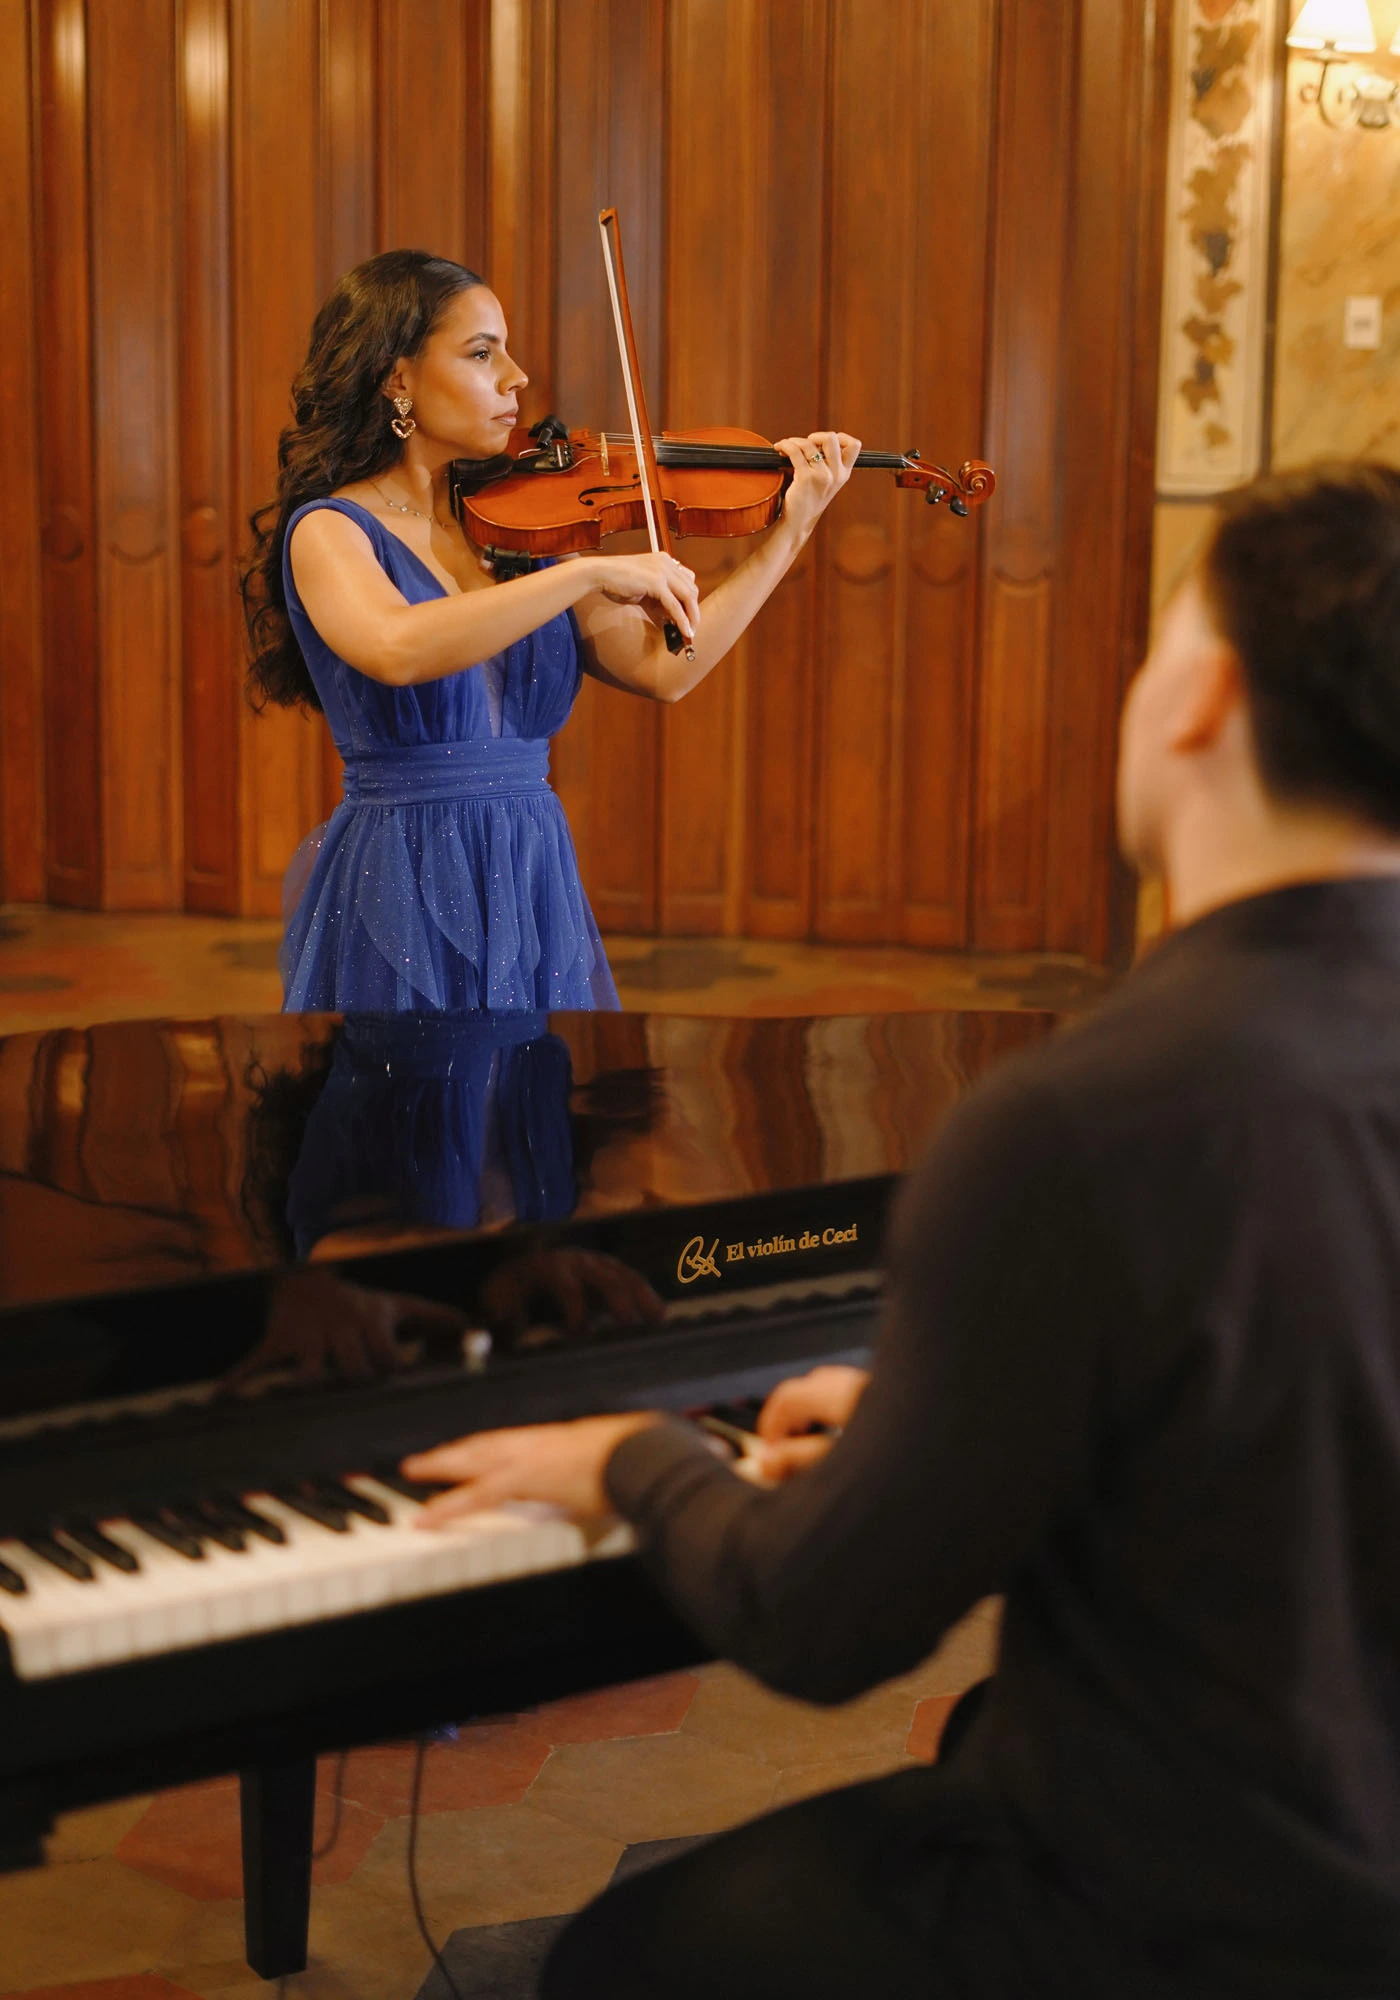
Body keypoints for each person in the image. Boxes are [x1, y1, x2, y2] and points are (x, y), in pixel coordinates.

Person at [402, 461, 1400, 1998]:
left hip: (1181, 1908)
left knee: (613, 1960)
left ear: (1198, 698)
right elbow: (1311, 1412)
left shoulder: (1083, 1117)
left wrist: (632, 1457)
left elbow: (821, 1626)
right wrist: (951, 1423)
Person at [241, 248, 859, 1013]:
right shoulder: (332, 532)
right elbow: (397, 647)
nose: (517, 376)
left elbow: (669, 671)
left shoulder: (520, 527)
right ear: (397, 378)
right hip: (402, 873)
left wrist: (787, 534)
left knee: (524, 1117)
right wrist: (586, 573)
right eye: (481, 352)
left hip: (528, 865)